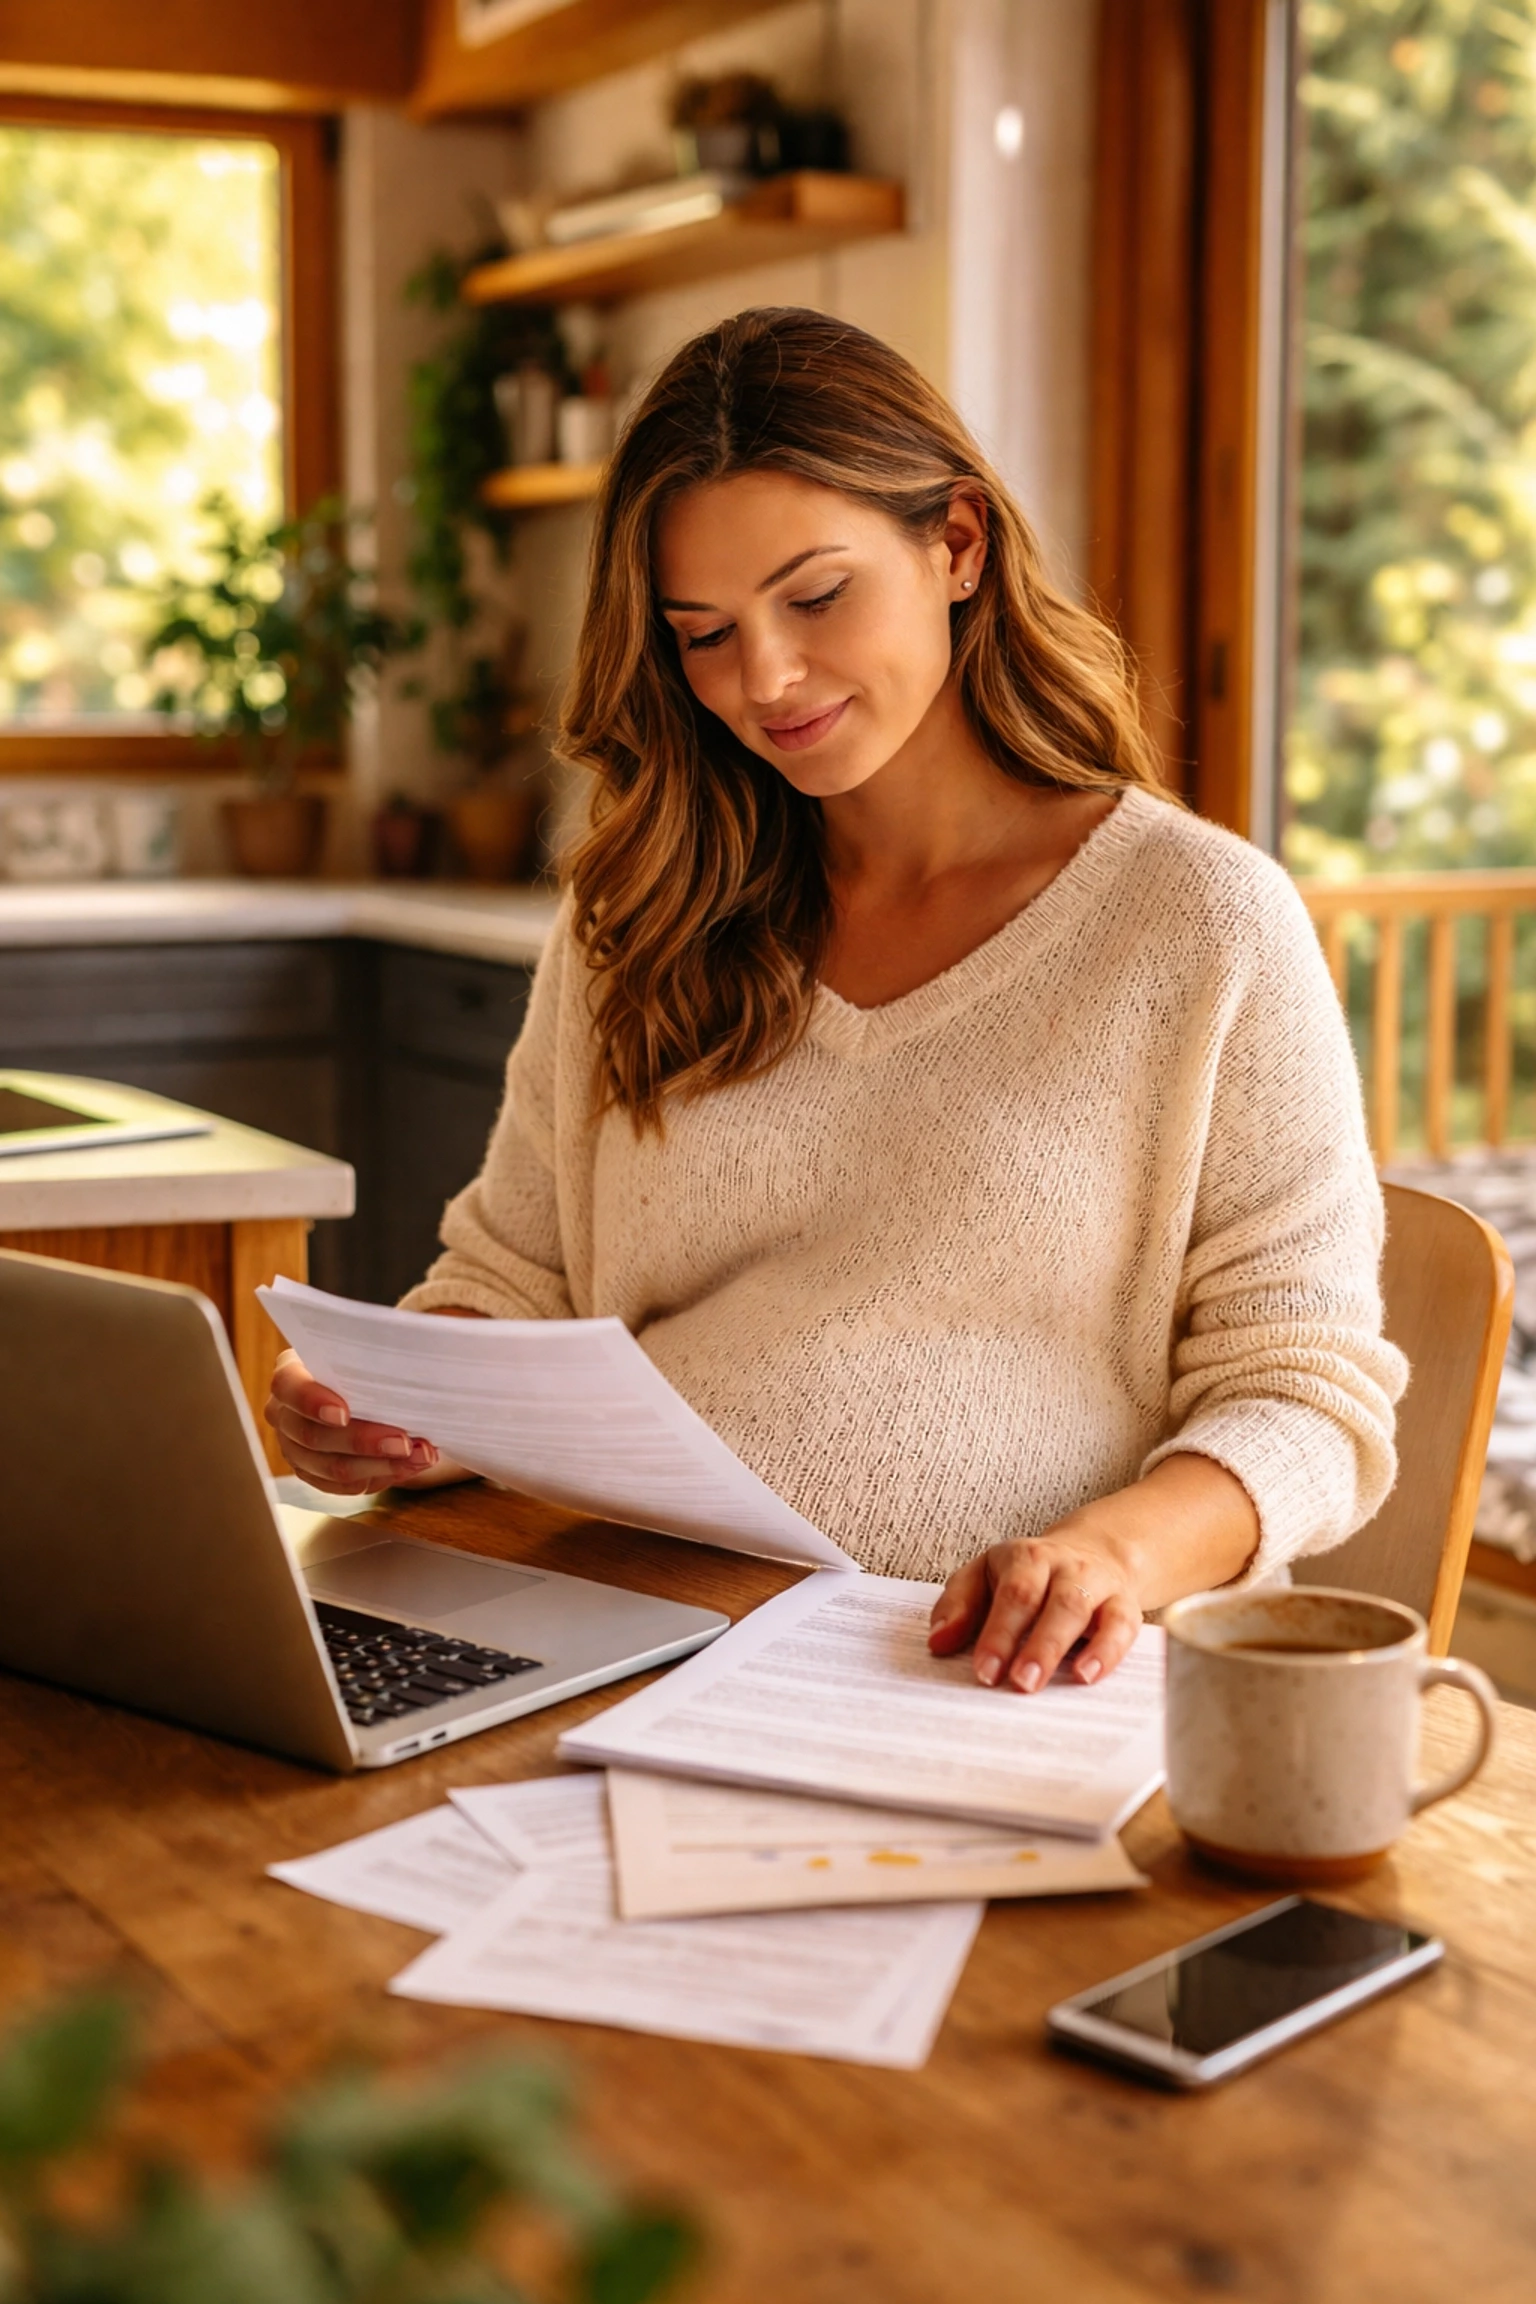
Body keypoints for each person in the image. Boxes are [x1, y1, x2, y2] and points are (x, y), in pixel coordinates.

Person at [268, 306, 1405, 1697]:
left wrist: (1113, 1555)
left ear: (959, 547)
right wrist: (411, 1408)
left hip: (980, 1683)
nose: (765, 681)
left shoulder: (1200, 923)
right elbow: (513, 1281)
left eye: (815, 598)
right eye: (703, 633)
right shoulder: (638, 912)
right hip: (613, 1641)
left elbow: (1302, 1399)